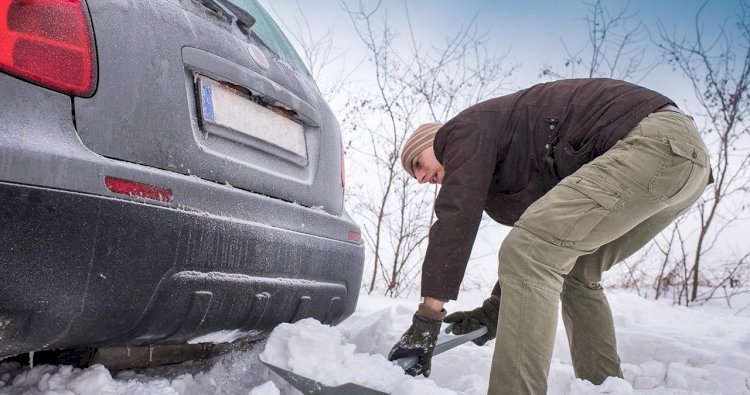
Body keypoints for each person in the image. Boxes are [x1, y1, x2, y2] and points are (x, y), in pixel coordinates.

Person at [386, 78, 712, 394]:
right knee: (577, 271)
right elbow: (548, 236)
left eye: (417, 163)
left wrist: (428, 317)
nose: (421, 178)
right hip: (684, 164)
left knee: (529, 253)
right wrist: (496, 307)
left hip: (652, 145)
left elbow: (457, 215)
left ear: (435, 140)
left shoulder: (462, 130)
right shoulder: (511, 160)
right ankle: (603, 388)